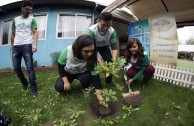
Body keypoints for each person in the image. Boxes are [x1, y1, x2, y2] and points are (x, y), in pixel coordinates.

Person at [54, 35, 104, 103]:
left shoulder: (92, 57)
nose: (89, 54)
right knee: (59, 87)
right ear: (78, 48)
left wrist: (99, 96)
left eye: (92, 51)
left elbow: (95, 77)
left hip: (82, 73)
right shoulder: (68, 51)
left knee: (86, 78)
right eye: (86, 51)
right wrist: (65, 82)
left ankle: (85, 89)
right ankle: (68, 82)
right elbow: (60, 67)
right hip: (69, 72)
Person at [11, 0, 38, 97]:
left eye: (30, 10)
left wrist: (35, 45)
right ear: (22, 8)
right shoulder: (15, 20)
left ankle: (34, 89)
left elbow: (35, 32)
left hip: (27, 45)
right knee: (16, 68)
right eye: (27, 9)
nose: (29, 11)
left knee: (30, 68)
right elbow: (13, 34)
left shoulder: (32, 19)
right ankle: (25, 84)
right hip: (16, 46)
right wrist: (12, 46)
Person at [87, 12, 118, 86]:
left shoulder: (112, 31)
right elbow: (91, 50)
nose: (106, 28)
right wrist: (101, 64)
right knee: (93, 63)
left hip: (104, 46)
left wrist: (114, 61)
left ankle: (109, 81)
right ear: (98, 21)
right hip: (93, 47)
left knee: (109, 62)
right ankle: (93, 80)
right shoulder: (91, 31)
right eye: (103, 25)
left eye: (108, 25)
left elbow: (114, 48)